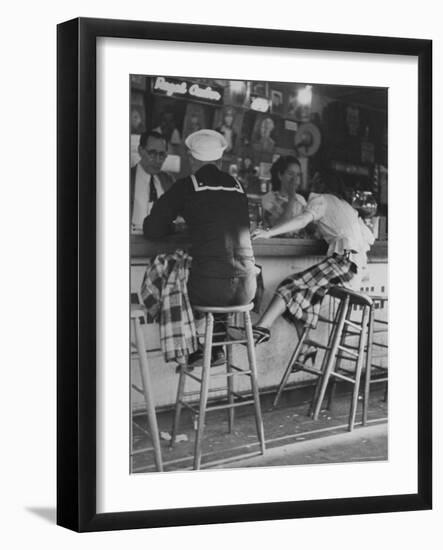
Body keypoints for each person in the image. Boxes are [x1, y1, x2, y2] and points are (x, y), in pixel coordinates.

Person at [143, 129, 259, 364]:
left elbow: (152, 229)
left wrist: (177, 228)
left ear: (192, 159)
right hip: (247, 290)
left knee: (176, 270)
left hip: (209, 291)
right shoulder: (238, 187)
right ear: (219, 160)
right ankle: (215, 346)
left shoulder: (187, 186)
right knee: (217, 265)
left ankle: (192, 346)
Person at [250, 169, 375, 348]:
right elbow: (369, 237)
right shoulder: (347, 207)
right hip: (354, 270)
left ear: (322, 184)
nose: (310, 185)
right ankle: (306, 348)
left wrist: (269, 233)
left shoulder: (321, 199)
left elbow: (302, 220)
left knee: (289, 286)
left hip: (343, 262)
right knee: (299, 298)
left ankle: (262, 328)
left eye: (315, 181)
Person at [130, 131, 175, 233]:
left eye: (162, 155)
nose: (158, 160)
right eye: (152, 153)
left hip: (162, 242)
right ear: (140, 151)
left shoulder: (168, 180)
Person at [262, 156, 307, 232]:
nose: (295, 179)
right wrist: (291, 198)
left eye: (298, 175)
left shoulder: (301, 200)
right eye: (290, 174)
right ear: (280, 175)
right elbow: (279, 228)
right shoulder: (269, 199)